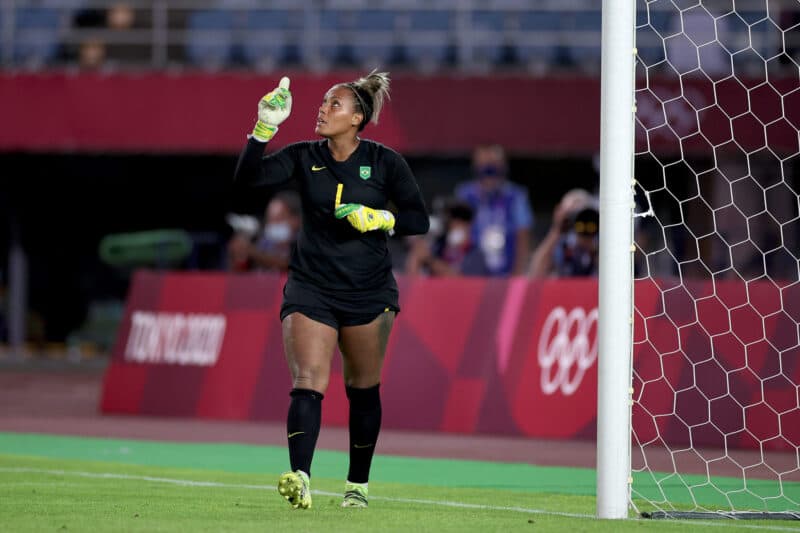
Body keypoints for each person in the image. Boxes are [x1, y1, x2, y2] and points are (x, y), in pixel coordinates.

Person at [232, 71, 429, 510]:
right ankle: (300, 477)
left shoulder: (385, 162)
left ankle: (357, 486)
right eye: (322, 103)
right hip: (312, 286)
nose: (322, 110)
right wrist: (262, 129)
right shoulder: (304, 156)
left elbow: (419, 219)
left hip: (368, 290)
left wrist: (381, 219)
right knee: (308, 380)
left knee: (363, 389)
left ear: (357, 118)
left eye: (333, 104)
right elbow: (247, 181)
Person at [454, 144, 534, 276]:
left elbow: (523, 237)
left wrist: (518, 277)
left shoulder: (515, 196)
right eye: (484, 166)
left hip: (506, 273)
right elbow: (458, 234)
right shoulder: (465, 194)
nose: (489, 172)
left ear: (504, 167)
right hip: (472, 275)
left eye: (493, 166)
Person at [405, 199, 488, 276]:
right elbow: (412, 277)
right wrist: (416, 256)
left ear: (469, 225)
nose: (455, 223)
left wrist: (430, 260)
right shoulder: (438, 248)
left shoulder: (475, 254)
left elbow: (461, 280)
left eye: (462, 218)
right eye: (452, 218)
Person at [529, 188, 599, 278]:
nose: (576, 220)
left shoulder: (599, 242)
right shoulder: (559, 244)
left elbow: (611, 276)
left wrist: (592, 248)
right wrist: (556, 230)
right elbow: (535, 273)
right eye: (572, 214)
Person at [226, 190, 301, 273]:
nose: (272, 224)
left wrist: (251, 251)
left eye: (279, 218)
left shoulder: (303, 243)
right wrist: (237, 254)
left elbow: (287, 264)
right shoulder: (262, 242)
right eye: (270, 218)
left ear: (296, 220)